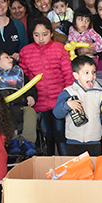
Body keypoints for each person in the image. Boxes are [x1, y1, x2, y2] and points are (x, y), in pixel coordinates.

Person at [19, 16, 73, 156]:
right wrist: (28, 97)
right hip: (39, 103)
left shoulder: (60, 48)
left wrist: (68, 96)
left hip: (59, 102)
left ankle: (66, 165)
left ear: (51, 33)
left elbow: (68, 74)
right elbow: (22, 78)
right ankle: (47, 169)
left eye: (44, 34)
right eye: (36, 35)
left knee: (61, 136)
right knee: (45, 137)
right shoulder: (25, 51)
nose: (41, 38)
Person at [0, 51, 37, 155]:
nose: (11, 59)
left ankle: (27, 141)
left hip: (19, 104)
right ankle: (12, 140)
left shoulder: (19, 74)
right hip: (0, 105)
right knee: (5, 111)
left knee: (31, 112)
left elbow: (31, 88)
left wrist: (31, 96)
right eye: (6, 57)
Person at [54, 56, 102, 156]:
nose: (91, 76)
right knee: (75, 170)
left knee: (93, 170)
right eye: (86, 73)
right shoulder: (68, 92)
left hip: (94, 140)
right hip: (73, 141)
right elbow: (57, 113)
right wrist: (67, 105)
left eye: (93, 72)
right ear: (76, 75)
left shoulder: (101, 93)